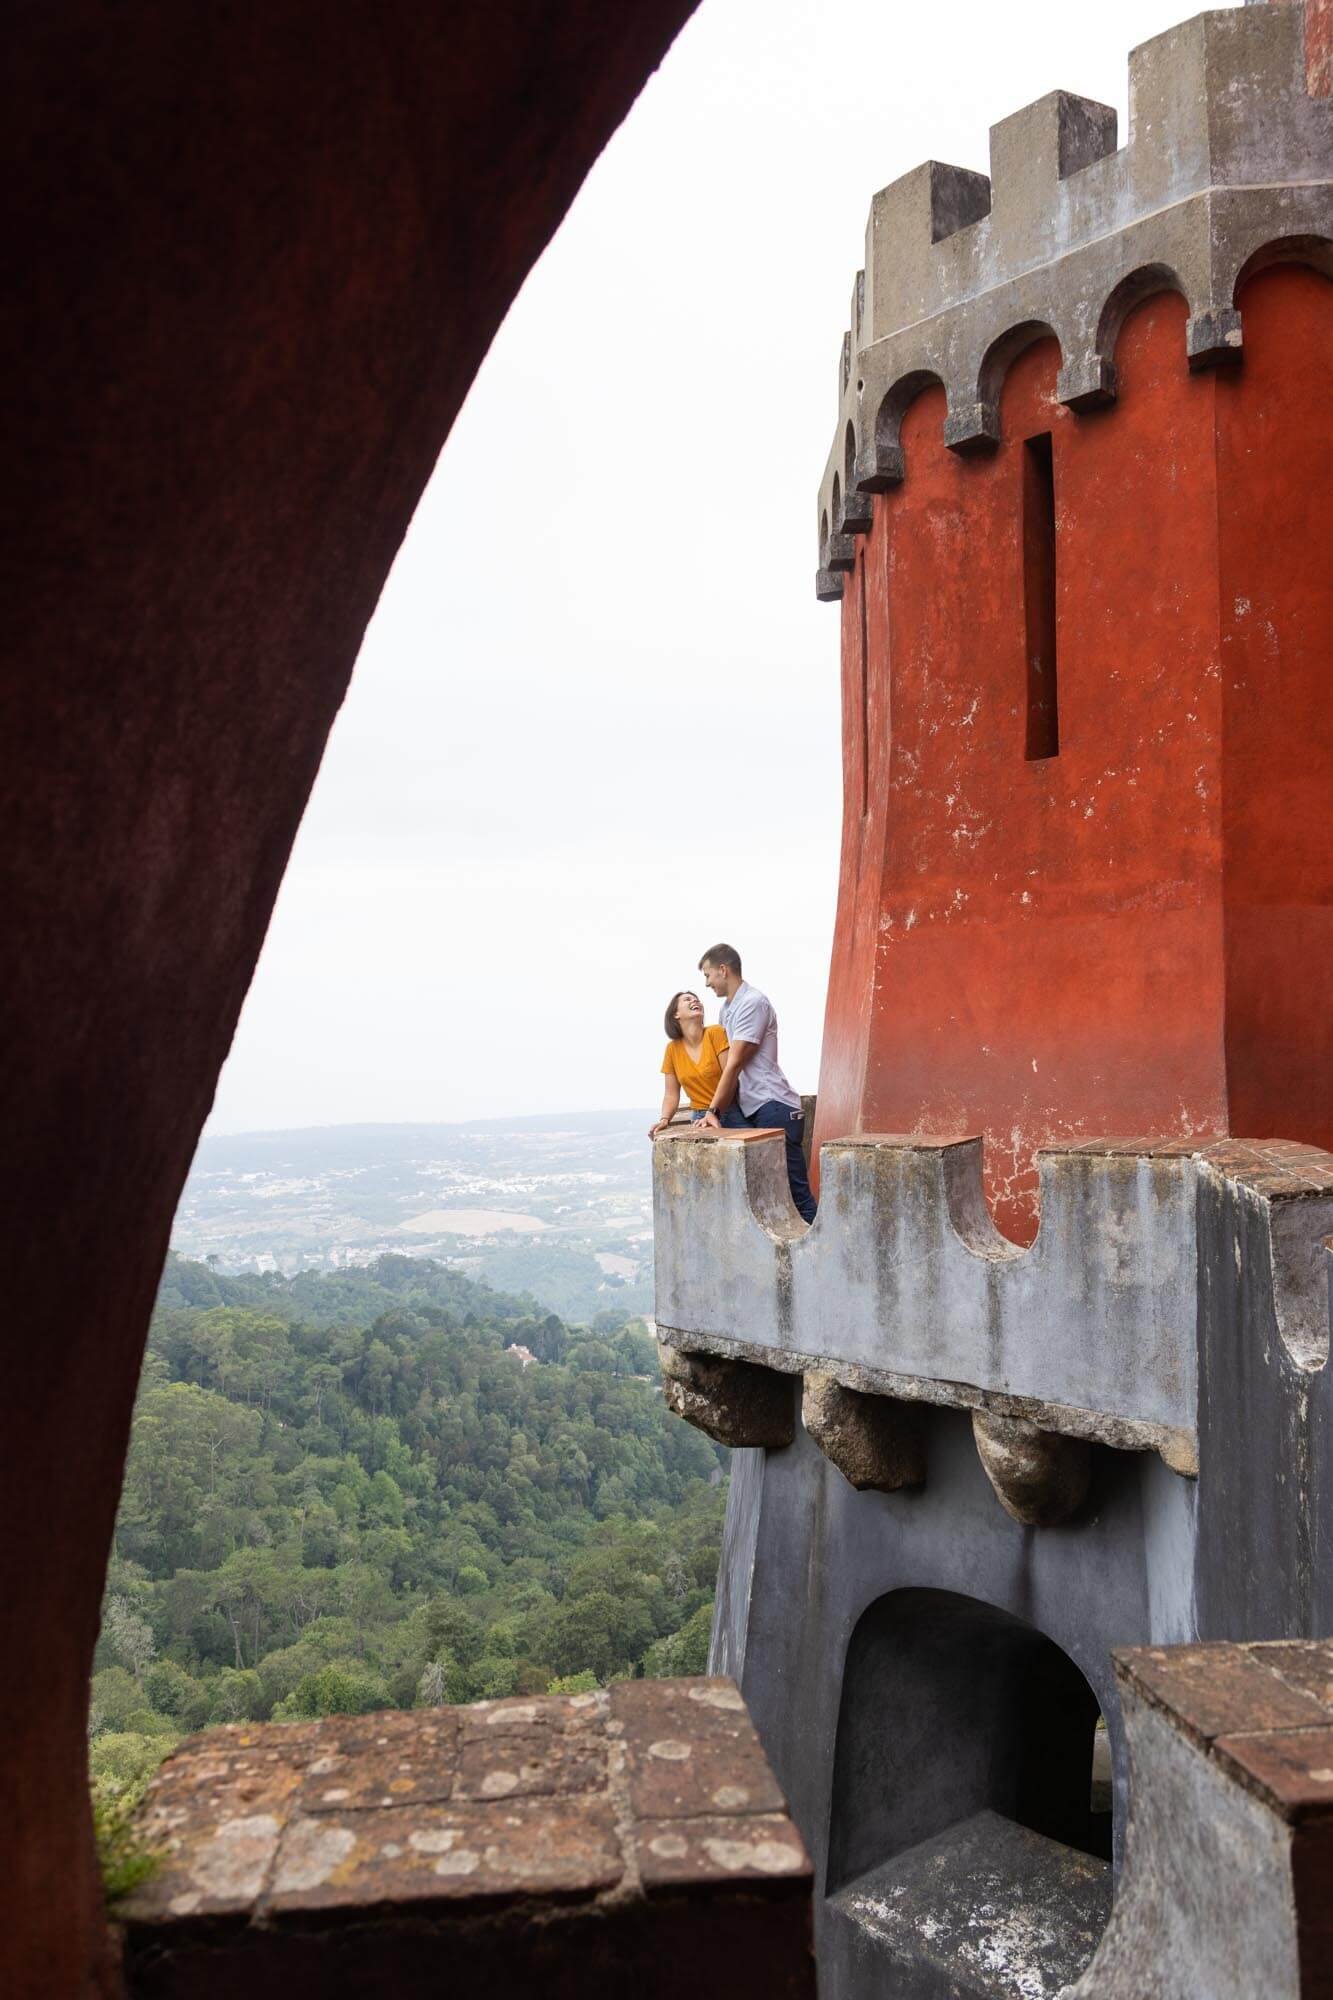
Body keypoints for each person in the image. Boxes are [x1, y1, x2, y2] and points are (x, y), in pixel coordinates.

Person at [694, 944, 816, 1223]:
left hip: (774, 1105)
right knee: (769, 1197)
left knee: (796, 1195)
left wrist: (713, 1111)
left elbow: (735, 1062)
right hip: (755, 1106)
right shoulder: (727, 1010)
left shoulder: (753, 1003)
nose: (707, 983)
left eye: (708, 974)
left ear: (723, 970)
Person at [649, 990, 748, 1138]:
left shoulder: (716, 1032)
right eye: (687, 999)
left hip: (729, 1111)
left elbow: (731, 1077)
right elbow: (671, 1094)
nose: (695, 1001)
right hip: (699, 1118)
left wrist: (713, 1111)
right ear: (676, 1014)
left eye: (697, 999)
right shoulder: (672, 1049)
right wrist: (664, 1119)